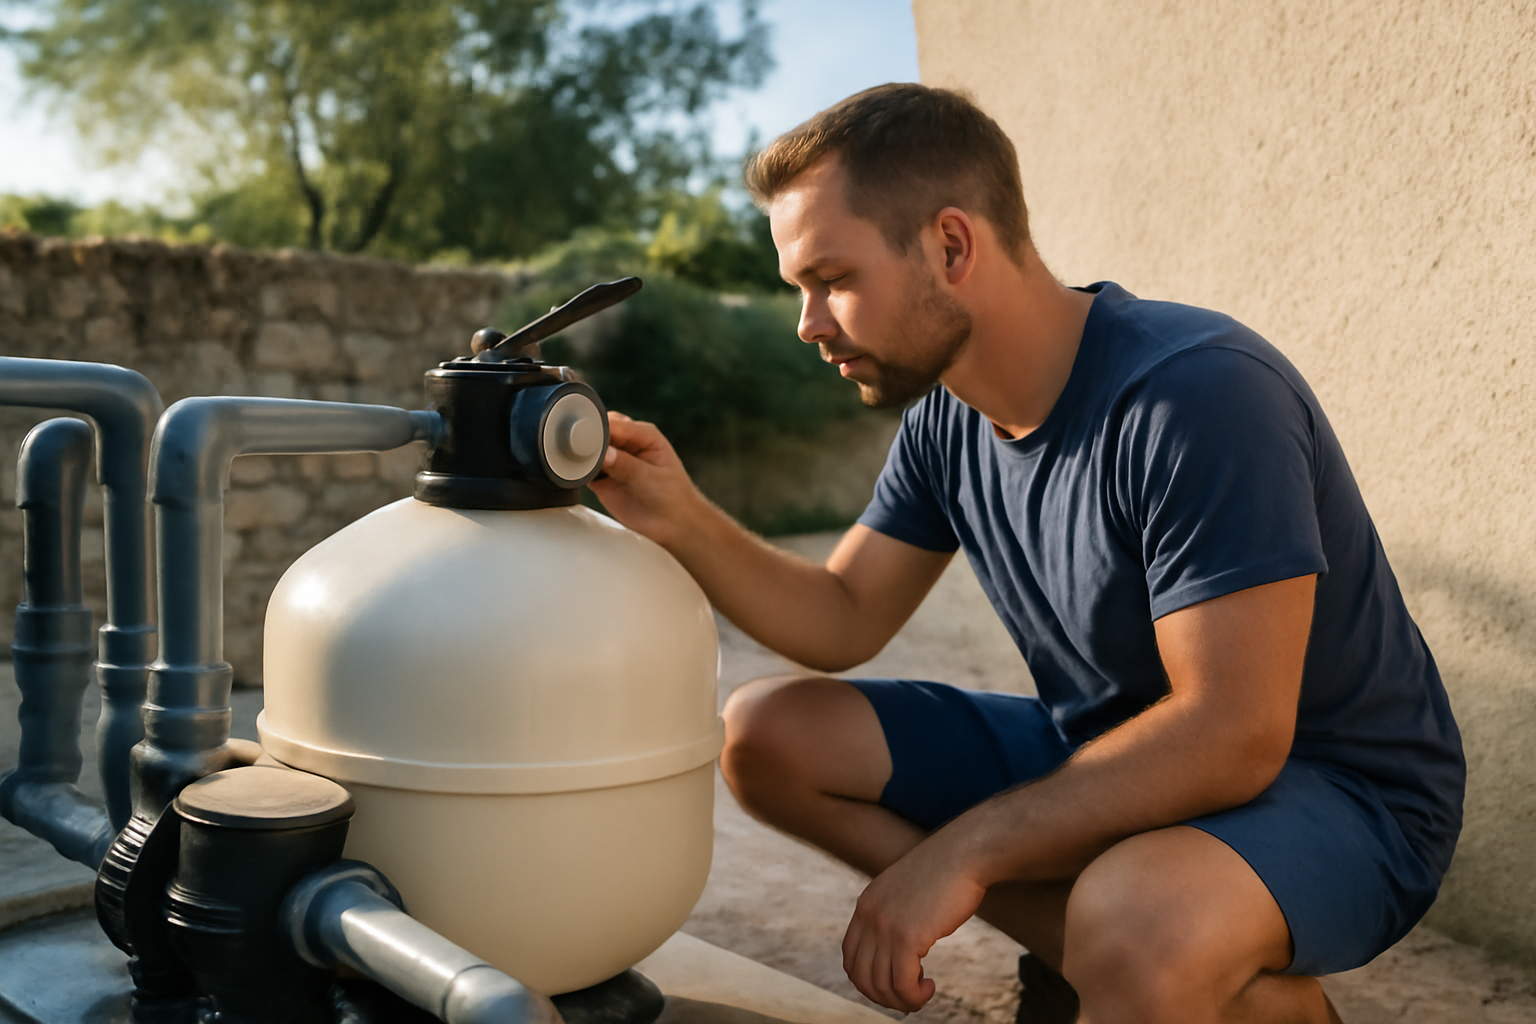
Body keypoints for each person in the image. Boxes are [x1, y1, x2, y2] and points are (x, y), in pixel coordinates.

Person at [589, 84, 1464, 1024]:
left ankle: (1139, 953)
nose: (809, 323)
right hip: (1110, 754)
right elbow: (842, 616)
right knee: (767, 734)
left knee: (1136, 917)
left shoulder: (1196, 395)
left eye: (831, 279)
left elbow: (1235, 733)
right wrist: (678, 513)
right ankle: (1127, 965)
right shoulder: (946, 424)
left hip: (1337, 792)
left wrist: (961, 854)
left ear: (951, 246)